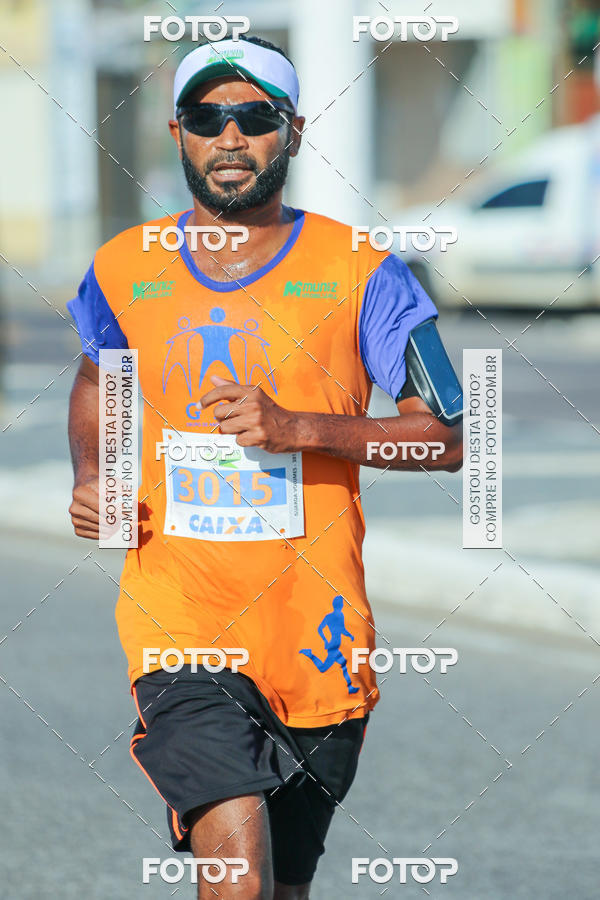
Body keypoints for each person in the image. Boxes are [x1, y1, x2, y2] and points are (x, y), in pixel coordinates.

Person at [67, 34, 463, 899]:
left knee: (281, 887)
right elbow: (101, 377)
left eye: (254, 117)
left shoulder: (363, 271)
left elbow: (447, 437)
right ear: (178, 131)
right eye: (207, 117)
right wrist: (94, 474)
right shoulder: (124, 266)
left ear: (294, 131)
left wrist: (300, 427)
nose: (230, 137)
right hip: (179, 624)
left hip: (318, 635)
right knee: (240, 877)